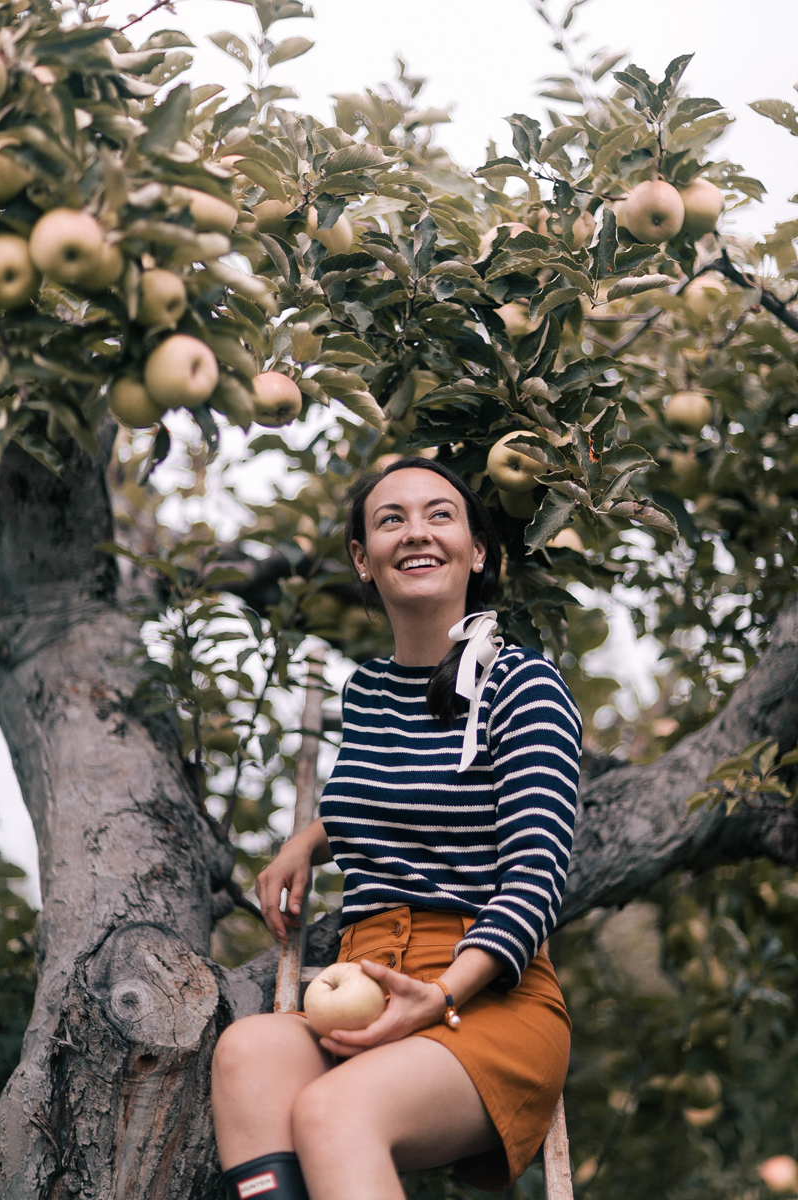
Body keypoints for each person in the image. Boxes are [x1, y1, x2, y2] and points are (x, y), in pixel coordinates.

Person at [211, 457, 582, 1200]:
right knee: (247, 1050)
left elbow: (538, 880)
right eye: (391, 519)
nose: (417, 532)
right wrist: (307, 840)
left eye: (440, 514)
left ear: (478, 552)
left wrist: (442, 994)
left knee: (331, 1110)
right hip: (365, 984)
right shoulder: (371, 690)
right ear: (362, 559)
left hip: (484, 998)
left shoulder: (525, 683)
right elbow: (383, 792)